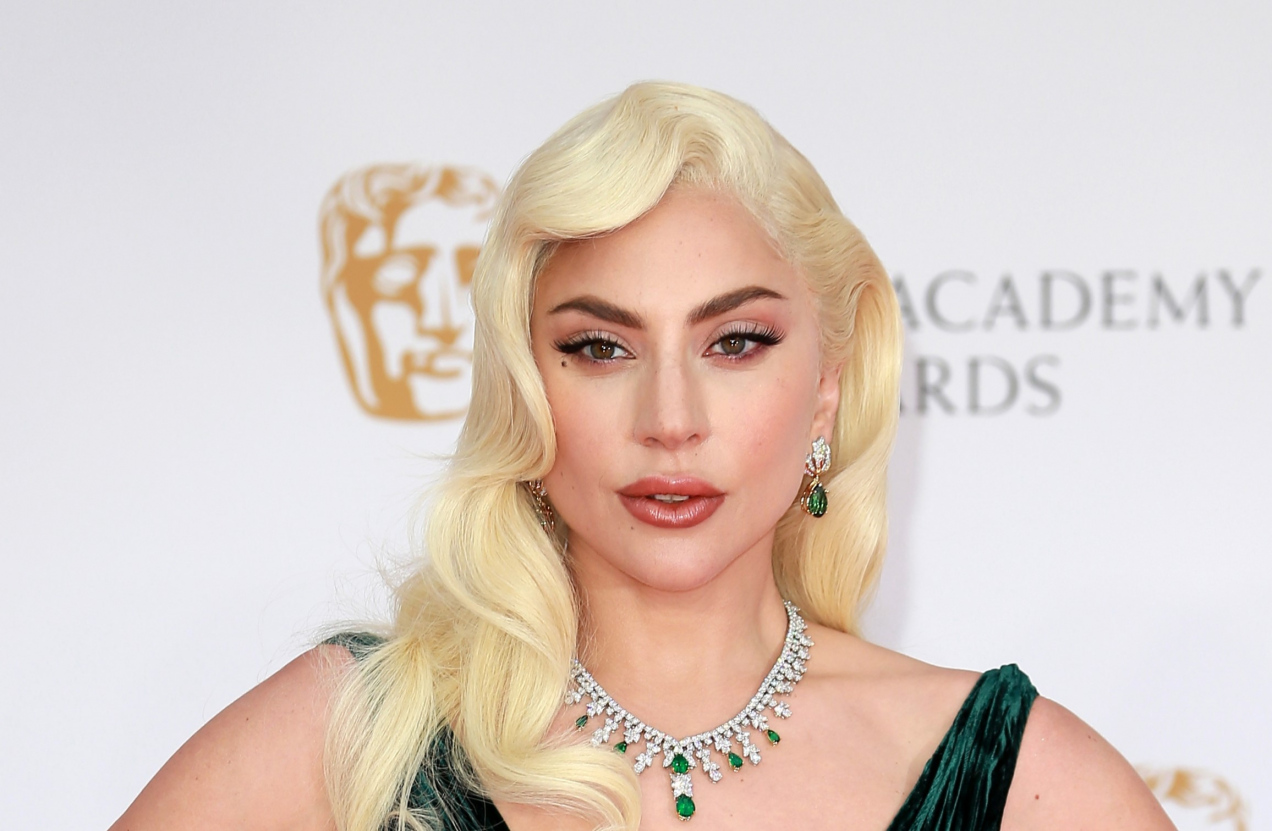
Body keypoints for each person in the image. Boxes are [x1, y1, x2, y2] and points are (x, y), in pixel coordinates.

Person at [110, 82, 1173, 831]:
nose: (671, 417)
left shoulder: (1022, 782)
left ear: (828, 390)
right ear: (526, 387)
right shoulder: (357, 735)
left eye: (735, 342)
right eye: (600, 348)